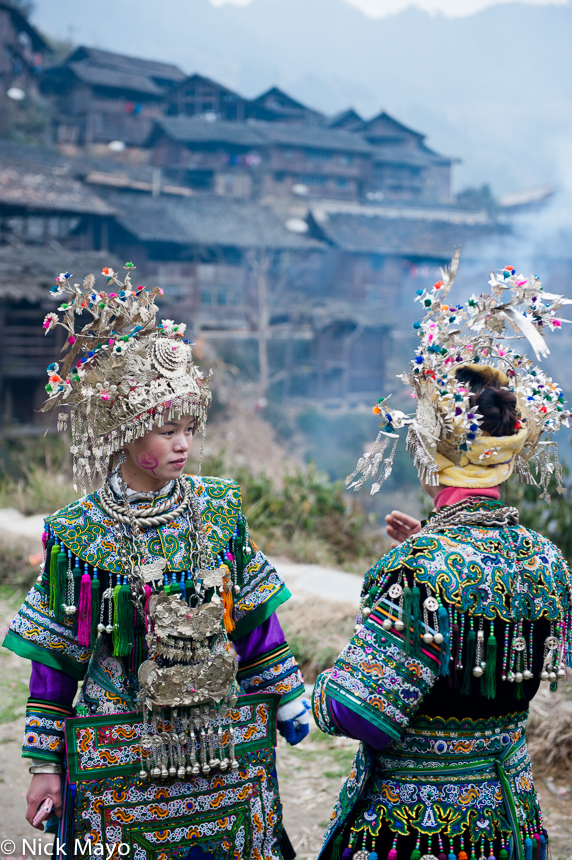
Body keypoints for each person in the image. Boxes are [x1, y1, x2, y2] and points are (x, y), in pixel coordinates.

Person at [3, 265, 309, 860]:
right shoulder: (78, 535)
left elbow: (250, 617)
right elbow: (55, 656)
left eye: (189, 429)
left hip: (217, 742)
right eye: (167, 430)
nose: (183, 445)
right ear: (126, 431)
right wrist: (45, 763)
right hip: (121, 747)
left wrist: (286, 690)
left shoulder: (217, 509)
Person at [312, 257, 572, 860]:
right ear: (508, 453)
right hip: (505, 812)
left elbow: (362, 711)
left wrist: (317, 691)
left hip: (417, 822)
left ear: (429, 454)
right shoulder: (546, 560)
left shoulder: (420, 572)